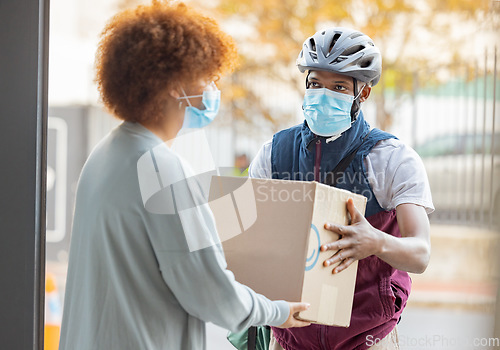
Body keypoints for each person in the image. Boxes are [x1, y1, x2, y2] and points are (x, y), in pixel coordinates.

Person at [58, 2, 311, 349]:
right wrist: (278, 312)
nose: (210, 88)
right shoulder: (160, 168)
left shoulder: (105, 155)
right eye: (205, 76)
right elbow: (211, 293)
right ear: (176, 85)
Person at [249, 27, 434, 350]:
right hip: (289, 335)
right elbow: (248, 237)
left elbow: (420, 254)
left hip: (366, 337)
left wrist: (376, 241)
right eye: (315, 84)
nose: (323, 94)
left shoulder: (392, 159)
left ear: (362, 94)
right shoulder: (273, 153)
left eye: (338, 87)